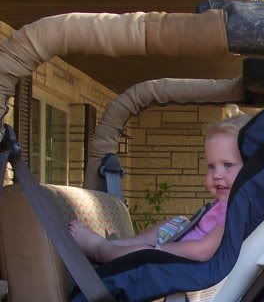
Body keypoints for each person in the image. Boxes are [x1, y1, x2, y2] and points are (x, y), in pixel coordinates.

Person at [69, 111, 250, 263]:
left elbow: (202, 251)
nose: (217, 174)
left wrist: (159, 249)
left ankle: (100, 249)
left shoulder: (236, 210)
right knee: (175, 223)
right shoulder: (227, 204)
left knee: (140, 250)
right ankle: (119, 244)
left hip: (182, 261)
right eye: (211, 166)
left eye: (228, 165)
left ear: (252, 168)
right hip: (180, 243)